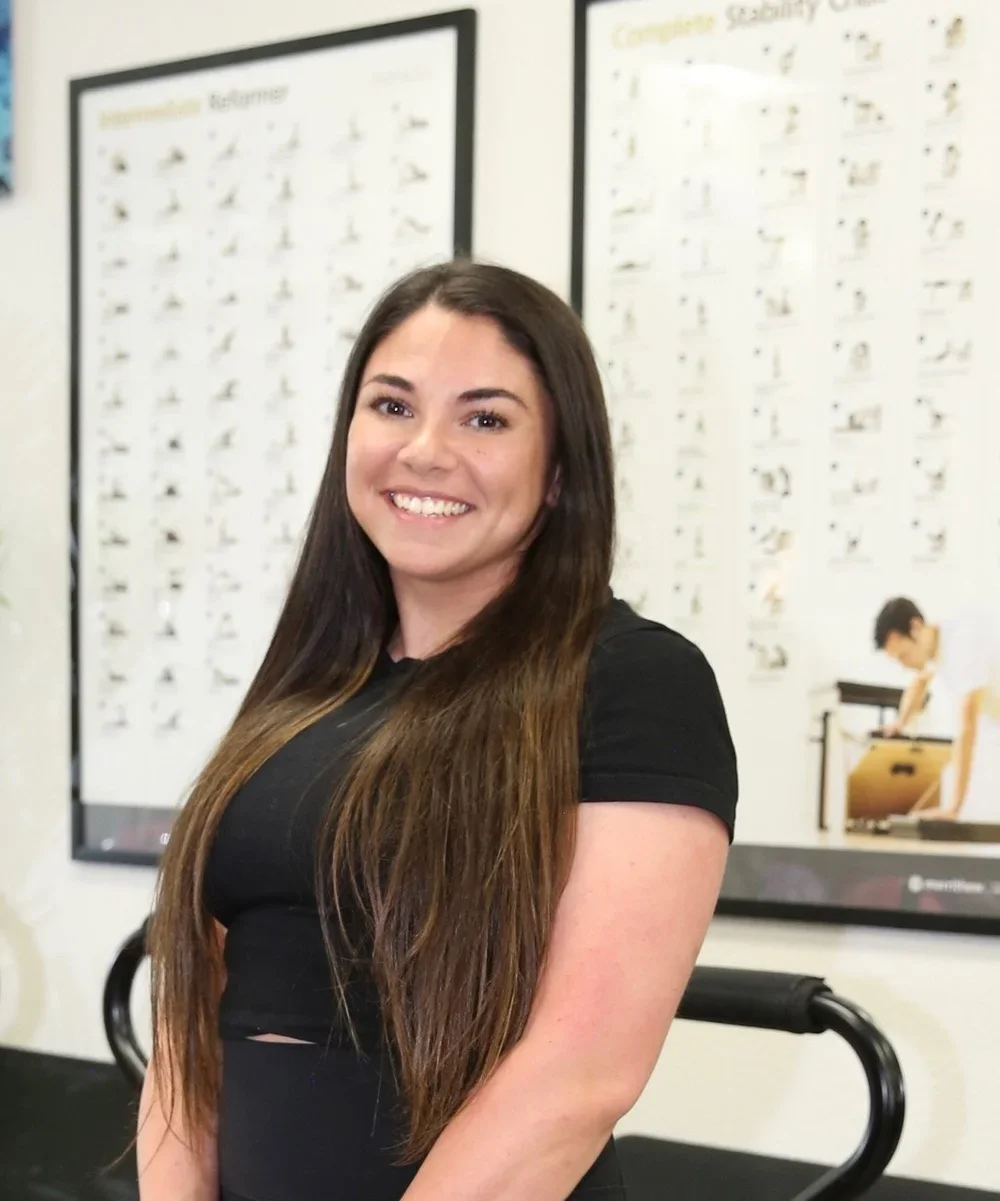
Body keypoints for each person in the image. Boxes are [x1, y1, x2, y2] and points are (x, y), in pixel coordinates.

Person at [137, 260, 739, 1201]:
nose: (424, 449)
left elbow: (580, 1074)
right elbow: (191, 1017)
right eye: (392, 406)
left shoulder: (635, 680)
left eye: (485, 418)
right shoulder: (305, 684)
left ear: (560, 472)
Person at [874, 596, 1000, 823]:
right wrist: (900, 723)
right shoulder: (935, 646)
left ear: (915, 627)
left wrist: (953, 807)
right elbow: (919, 683)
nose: (904, 665)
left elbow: (967, 728)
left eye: (903, 655)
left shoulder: (962, 642)